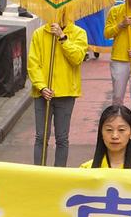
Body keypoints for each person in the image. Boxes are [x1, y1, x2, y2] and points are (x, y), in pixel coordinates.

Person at [28, 18, 88, 167]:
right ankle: (38, 172)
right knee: (41, 137)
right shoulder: (39, 34)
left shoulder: (79, 33)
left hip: (66, 93)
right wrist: (41, 87)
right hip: (43, 94)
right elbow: (33, 64)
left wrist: (63, 38)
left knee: (62, 138)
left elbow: (77, 58)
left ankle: (59, 173)